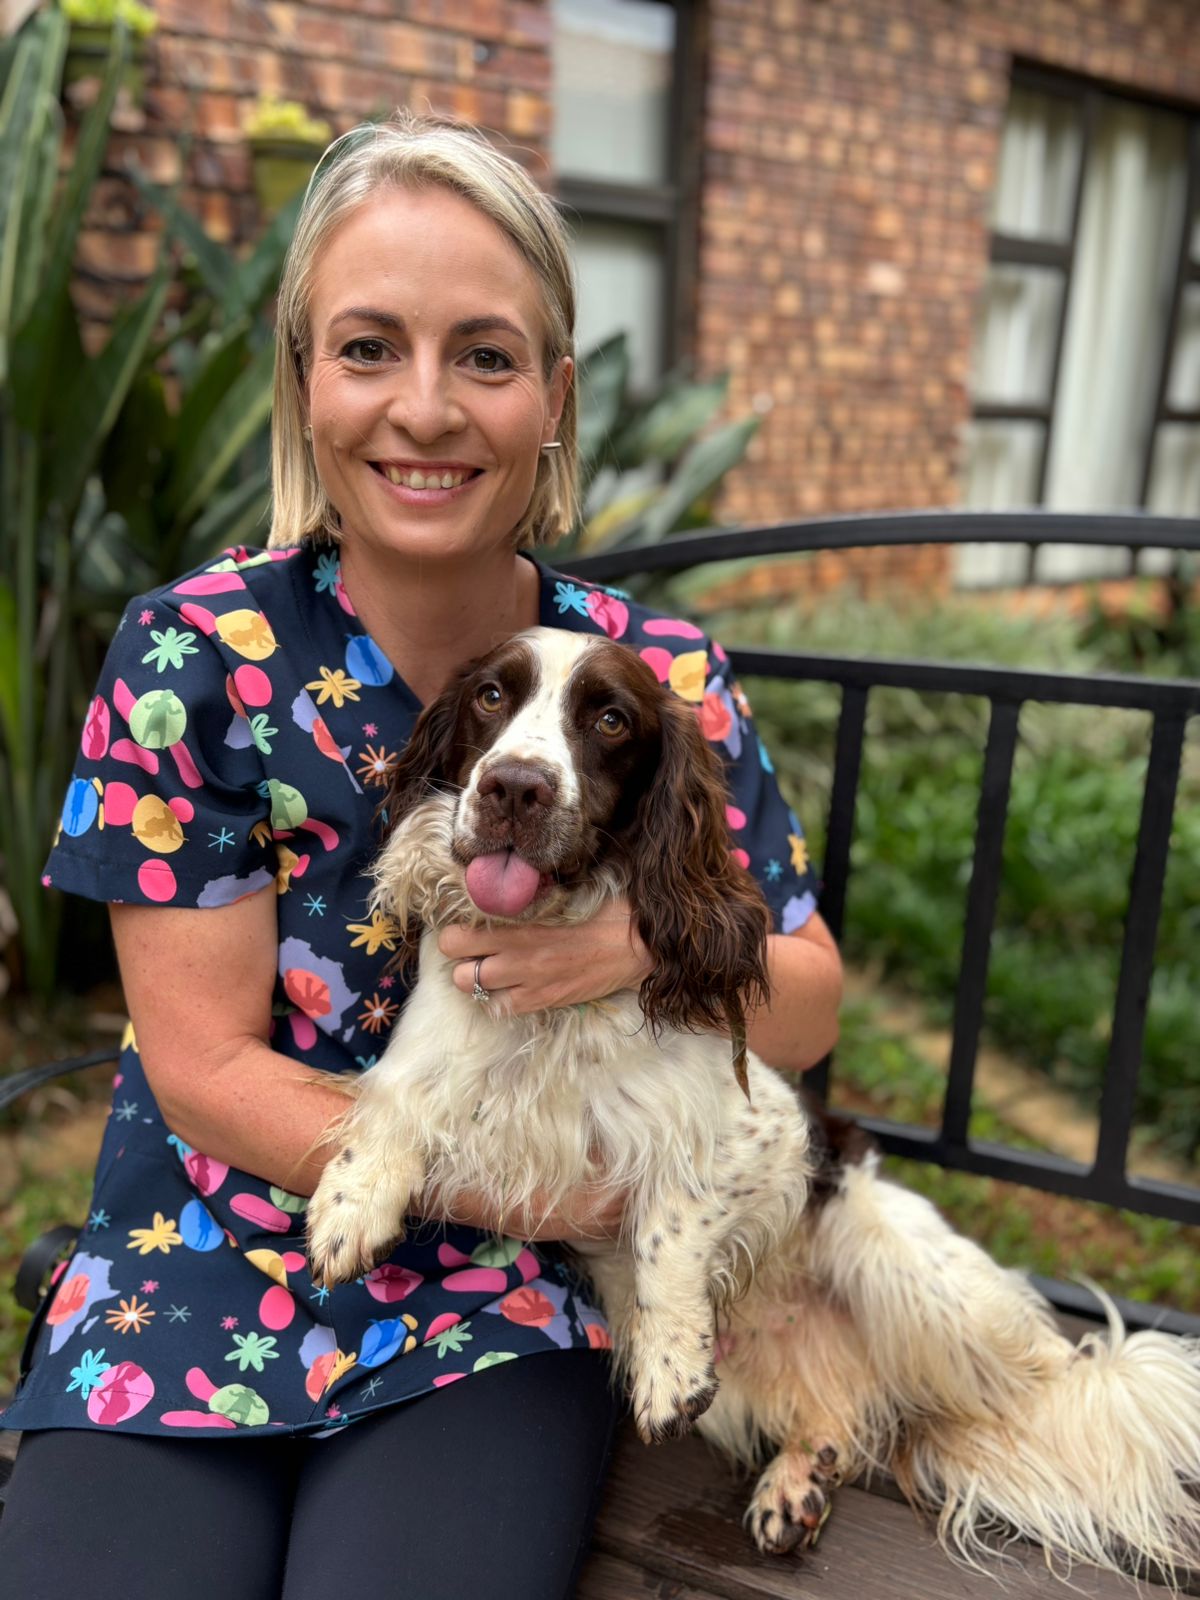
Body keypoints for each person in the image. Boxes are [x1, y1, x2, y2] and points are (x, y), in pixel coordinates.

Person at [0, 112, 843, 1598]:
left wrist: (630, 947)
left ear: (555, 397)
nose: (427, 408)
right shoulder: (194, 654)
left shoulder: (660, 679)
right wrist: (534, 1189)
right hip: (204, 1250)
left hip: (502, 1307)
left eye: (487, 357)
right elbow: (200, 1066)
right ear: (305, 379)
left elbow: (808, 1002)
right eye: (370, 347)